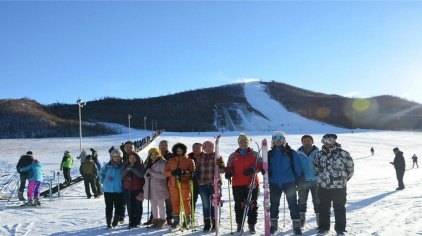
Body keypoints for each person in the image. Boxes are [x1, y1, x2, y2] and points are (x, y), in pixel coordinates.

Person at [314, 134, 354, 236]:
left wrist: (343, 180)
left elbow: (350, 169)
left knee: (339, 207)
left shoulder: (343, 154)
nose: (327, 143)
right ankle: (323, 227)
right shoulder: (319, 154)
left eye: (329, 140)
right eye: (325, 141)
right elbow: (316, 168)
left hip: (339, 187)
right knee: (323, 207)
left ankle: (340, 229)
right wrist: (321, 179)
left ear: (334, 141)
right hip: (324, 186)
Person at [225, 133, 262, 234]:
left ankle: (251, 225)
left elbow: (261, 165)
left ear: (248, 143)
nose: (243, 144)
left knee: (252, 205)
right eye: (241, 142)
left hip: (252, 184)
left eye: (245, 142)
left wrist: (252, 169)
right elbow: (229, 167)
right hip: (237, 184)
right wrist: (229, 173)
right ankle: (239, 224)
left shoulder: (255, 154)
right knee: (238, 205)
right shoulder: (233, 156)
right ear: (238, 143)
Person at [267, 131, 303, 235]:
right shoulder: (269, 154)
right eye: (276, 138)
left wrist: (299, 181)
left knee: (293, 205)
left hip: (289, 182)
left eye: (280, 138)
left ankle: (297, 227)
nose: (278, 140)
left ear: (284, 140)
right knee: (274, 205)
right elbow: (265, 167)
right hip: (274, 183)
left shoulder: (291, 153)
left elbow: (298, 167)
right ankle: (273, 225)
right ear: (273, 140)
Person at [164, 143, 195, 230]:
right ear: (175, 151)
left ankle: (187, 220)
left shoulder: (189, 161)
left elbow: (193, 173)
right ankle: (176, 221)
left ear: (184, 150)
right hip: (173, 185)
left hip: (184, 184)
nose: (179, 152)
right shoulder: (171, 160)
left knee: (185, 202)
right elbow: (165, 172)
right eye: (177, 150)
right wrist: (172, 173)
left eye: (181, 150)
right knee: (175, 202)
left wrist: (184, 172)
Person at [196, 140, 225, 232]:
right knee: (205, 205)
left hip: (214, 184)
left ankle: (215, 222)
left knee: (214, 204)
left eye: (209, 147)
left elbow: (222, 170)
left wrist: (220, 165)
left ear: (213, 147)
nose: (207, 149)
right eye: (205, 147)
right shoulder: (200, 158)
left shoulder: (217, 156)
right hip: (203, 184)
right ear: (203, 149)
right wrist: (195, 175)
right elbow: (197, 169)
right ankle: (207, 223)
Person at [297, 135, 320, 228]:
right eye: (304, 140)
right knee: (302, 201)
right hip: (303, 181)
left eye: (308, 140)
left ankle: (319, 219)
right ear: (302, 142)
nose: (307, 142)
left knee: (318, 201)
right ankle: (301, 219)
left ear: (312, 141)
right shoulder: (297, 153)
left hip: (316, 180)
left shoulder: (319, 152)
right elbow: (295, 167)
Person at [99, 149, 125, 229]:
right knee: (109, 206)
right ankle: (108, 222)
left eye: (118, 156)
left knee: (118, 206)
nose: (116, 158)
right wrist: (104, 180)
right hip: (108, 190)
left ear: (121, 157)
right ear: (111, 157)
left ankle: (116, 220)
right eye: (114, 156)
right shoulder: (107, 166)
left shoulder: (123, 166)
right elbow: (100, 174)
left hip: (119, 190)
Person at [143, 148, 168, 229]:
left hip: (159, 187)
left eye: (155, 154)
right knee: (153, 205)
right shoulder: (148, 163)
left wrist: (152, 173)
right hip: (150, 187)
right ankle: (155, 220)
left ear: (158, 154)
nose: (153, 156)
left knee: (161, 205)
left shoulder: (162, 163)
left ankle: (162, 220)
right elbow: (146, 175)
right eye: (151, 155)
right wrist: (146, 176)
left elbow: (164, 176)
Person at [121, 151, 145, 228]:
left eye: (134, 158)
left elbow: (141, 175)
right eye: (130, 158)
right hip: (128, 189)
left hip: (138, 188)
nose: (132, 159)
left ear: (137, 158)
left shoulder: (140, 166)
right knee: (130, 205)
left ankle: (138, 221)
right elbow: (121, 175)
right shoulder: (125, 165)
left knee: (138, 205)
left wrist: (133, 168)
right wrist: (128, 169)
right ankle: (131, 221)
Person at [187, 143, 202, 218]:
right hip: (192, 182)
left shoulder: (205, 156)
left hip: (203, 182)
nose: (195, 149)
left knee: (206, 202)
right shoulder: (188, 157)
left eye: (197, 148)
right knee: (192, 201)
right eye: (194, 148)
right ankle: (191, 217)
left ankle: (209, 218)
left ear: (201, 149)